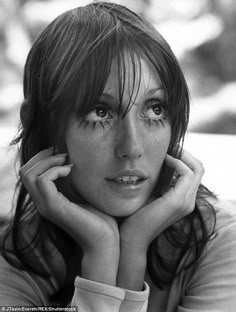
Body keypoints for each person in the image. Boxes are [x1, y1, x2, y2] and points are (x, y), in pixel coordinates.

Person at [1, 1, 236, 311]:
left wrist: (134, 245)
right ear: (41, 124)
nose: (132, 147)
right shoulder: (15, 259)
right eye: (101, 112)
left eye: (154, 109)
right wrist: (102, 254)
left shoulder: (222, 241)